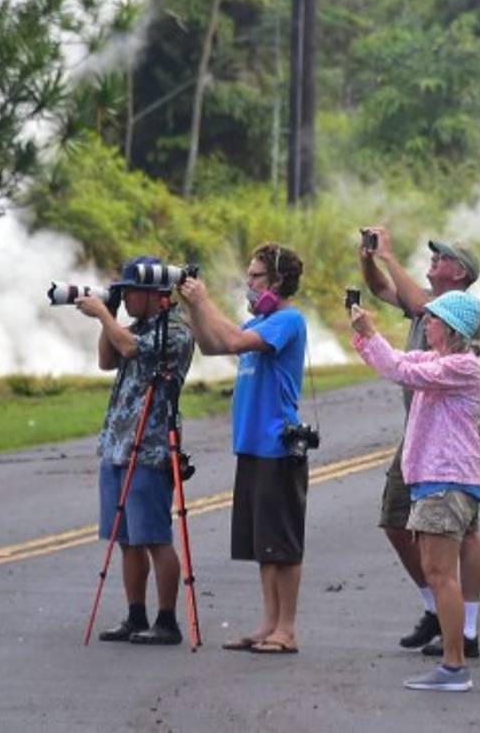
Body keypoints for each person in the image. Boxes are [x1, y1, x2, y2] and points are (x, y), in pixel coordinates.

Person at [359, 227, 480, 658]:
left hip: (444, 452)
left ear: (462, 273)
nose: (434, 260)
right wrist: (368, 258)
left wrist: (390, 255)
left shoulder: (457, 317)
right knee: (407, 524)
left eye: (443, 257)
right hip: (424, 435)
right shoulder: (433, 319)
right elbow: (380, 288)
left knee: (457, 538)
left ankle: (461, 634)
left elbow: (415, 314)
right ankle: (444, 615)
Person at [178, 244, 308, 655]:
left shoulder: (287, 320)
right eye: (249, 275)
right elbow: (214, 345)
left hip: (277, 447)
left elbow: (232, 341)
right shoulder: (262, 321)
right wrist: (194, 310)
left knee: (282, 544)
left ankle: (286, 630)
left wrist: (204, 300)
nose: (249, 283)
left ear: (278, 281)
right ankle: (268, 624)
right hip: (251, 446)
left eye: (256, 276)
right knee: (263, 545)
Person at [77, 256, 196, 646]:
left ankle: (166, 619)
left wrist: (103, 317)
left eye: (130, 291)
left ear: (153, 293)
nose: (125, 297)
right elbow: (106, 359)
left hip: (150, 446)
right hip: (117, 444)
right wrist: (108, 313)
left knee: (154, 537)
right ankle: (135, 614)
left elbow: (128, 349)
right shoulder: (138, 326)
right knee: (126, 539)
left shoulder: (175, 332)